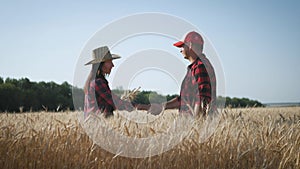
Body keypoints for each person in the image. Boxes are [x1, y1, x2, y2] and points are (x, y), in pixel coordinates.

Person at [84, 46, 150, 118]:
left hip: (96, 125)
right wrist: (147, 107)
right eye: (109, 62)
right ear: (101, 64)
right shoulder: (98, 83)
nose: (113, 65)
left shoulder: (95, 82)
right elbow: (117, 103)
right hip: (97, 126)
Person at [163, 31, 217, 117]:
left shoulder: (200, 67)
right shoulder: (196, 67)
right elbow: (185, 100)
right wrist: (162, 107)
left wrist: (196, 125)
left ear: (190, 45)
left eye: (182, 46)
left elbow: (202, 100)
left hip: (196, 126)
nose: (180, 50)